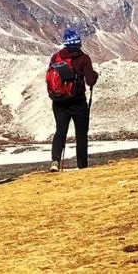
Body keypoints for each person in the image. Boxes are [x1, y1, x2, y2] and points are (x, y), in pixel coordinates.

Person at [48, 29, 98, 172]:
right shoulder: (84, 58)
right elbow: (90, 81)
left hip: (59, 102)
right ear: (79, 43)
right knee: (81, 134)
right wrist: (94, 75)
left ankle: (55, 161)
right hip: (78, 102)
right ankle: (82, 166)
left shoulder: (56, 57)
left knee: (60, 131)